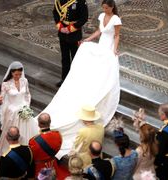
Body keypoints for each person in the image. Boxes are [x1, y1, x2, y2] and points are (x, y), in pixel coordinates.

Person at [36, 0, 121, 158]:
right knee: (68, 59)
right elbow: (99, 31)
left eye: (106, 7)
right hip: (89, 41)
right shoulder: (102, 15)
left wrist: (115, 50)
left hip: (107, 48)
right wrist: (88, 39)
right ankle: (69, 80)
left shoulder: (115, 19)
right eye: (103, 7)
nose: (103, 9)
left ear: (111, 7)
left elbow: (116, 35)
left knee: (101, 73)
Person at [0, 61, 38, 154]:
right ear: (11, 73)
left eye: (20, 74)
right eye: (16, 74)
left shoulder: (24, 81)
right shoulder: (6, 84)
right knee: (12, 132)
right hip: (12, 112)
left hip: (24, 110)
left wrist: (26, 106)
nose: (18, 76)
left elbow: (28, 95)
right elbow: (2, 97)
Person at [53, 0, 88, 86]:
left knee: (75, 58)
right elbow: (55, 13)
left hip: (74, 33)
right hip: (63, 34)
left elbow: (84, 18)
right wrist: (60, 27)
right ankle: (64, 79)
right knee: (65, 58)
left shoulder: (80, 1)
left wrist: (70, 28)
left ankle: (75, 81)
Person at [29, 113, 66, 178]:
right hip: (53, 164)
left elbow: (32, 157)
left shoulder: (33, 141)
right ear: (50, 122)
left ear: (39, 124)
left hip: (39, 168)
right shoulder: (58, 135)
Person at [155, 103, 168, 180]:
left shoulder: (164, 131)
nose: (158, 115)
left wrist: (156, 164)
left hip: (166, 163)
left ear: (164, 115)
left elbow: (160, 151)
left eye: (159, 113)